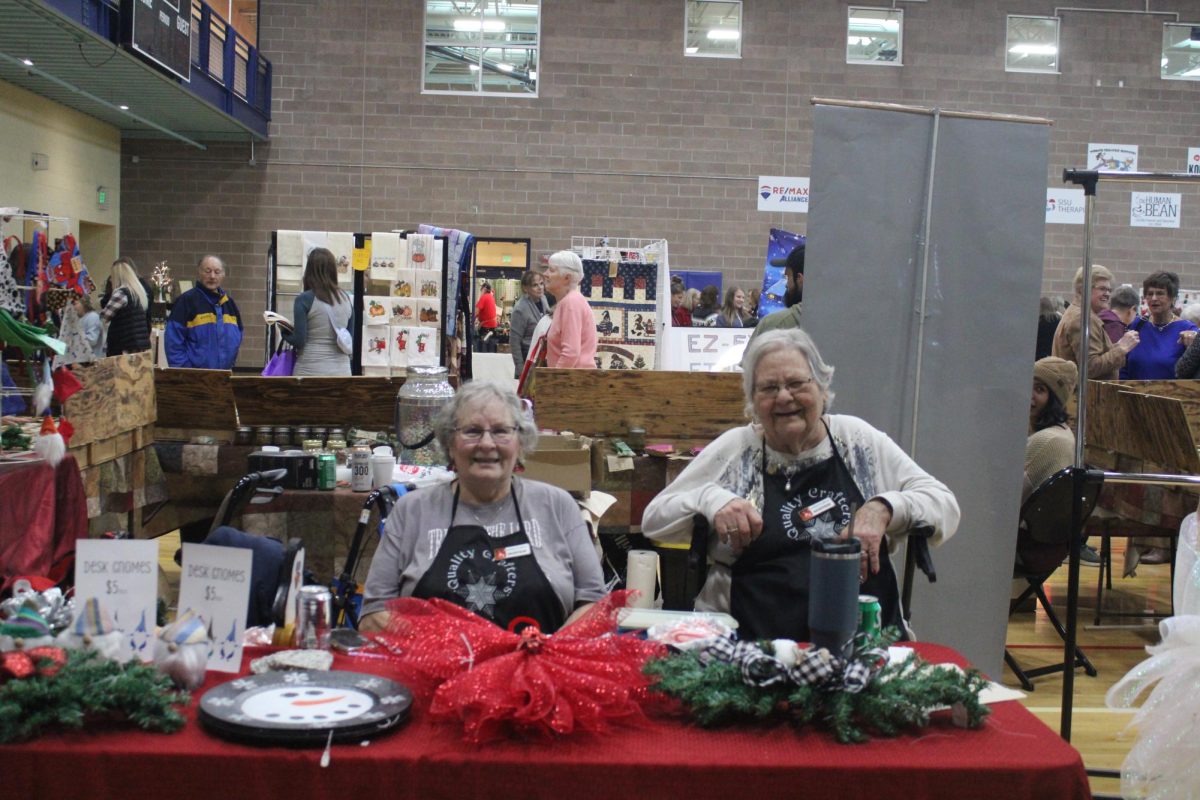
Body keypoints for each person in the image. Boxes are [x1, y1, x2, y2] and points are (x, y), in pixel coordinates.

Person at [641, 328, 960, 641]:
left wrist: (884, 508)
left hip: (867, 649)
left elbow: (944, 505)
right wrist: (710, 499)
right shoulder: (738, 450)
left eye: (796, 383)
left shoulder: (858, 442)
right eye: (768, 388)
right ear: (753, 401)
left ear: (823, 388)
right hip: (751, 653)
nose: (783, 396)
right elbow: (654, 521)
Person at [359, 381, 605, 634]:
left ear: (519, 443)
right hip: (438, 671)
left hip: (538, 669)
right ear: (450, 443)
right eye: (472, 431)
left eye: (501, 431)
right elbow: (372, 615)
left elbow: (595, 603)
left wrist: (548, 649)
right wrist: (434, 647)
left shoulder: (558, 506)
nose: (487, 443)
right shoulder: (411, 511)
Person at [1020, 357, 1098, 569]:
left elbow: (1008, 503)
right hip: (1050, 547)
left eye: (1040, 389)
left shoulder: (1045, 441)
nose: (1030, 394)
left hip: (1028, 548)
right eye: (1028, 384)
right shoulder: (1063, 434)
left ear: (1055, 399)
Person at [1052, 264, 1139, 381]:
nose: (1107, 294)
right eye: (1102, 288)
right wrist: (1121, 349)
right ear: (1082, 289)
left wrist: (1118, 346)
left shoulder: (1079, 313)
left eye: (1109, 290)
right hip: (1086, 397)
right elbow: (1090, 367)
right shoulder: (1082, 318)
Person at [281, 247, 353, 376]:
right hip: (342, 371)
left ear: (309, 270)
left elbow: (299, 340)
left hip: (310, 369)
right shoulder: (346, 298)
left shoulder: (303, 299)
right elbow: (350, 336)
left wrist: (284, 332)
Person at [165, 254, 243, 369]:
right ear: (199, 273)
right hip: (194, 378)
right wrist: (185, 371)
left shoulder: (229, 303)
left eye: (217, 272)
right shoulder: (186, 301)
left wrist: (230, 362)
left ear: (223, 275)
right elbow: (173, 342)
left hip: (223, 376)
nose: (212, 276)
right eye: (207, 271)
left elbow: (238, 335)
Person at [1122, 271, 1198, 380]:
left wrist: (1193, 342)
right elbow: (1123, 365)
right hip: (1134, 394)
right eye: (1149, 293)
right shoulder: (1137, 325)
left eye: (1160, 293)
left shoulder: (1188, 329)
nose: (1153, 298)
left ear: (1173, 298)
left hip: (1170, 394)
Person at [543, 250, 597, 369]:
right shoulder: (569, 301)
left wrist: (553, 381)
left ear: (567, 278)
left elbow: (571, 353)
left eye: (551, 270)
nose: (545, 274)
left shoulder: (571, 303)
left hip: (572, 383)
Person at [751, 241, 805, 341]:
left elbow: (750, 356)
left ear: (799, 278)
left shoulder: (772, 326)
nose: (786, 284)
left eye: (788, 277)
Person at [100, 258, 151, 356]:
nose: (110, 279)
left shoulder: (121, 293)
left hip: (124, 345)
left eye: (112, 276)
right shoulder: (138, 292)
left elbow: (105, 316)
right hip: (139, 345)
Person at [509, 270, 550, 378]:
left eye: (541, 283)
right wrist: (521, 370)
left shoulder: (543, 299)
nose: (540, 287)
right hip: (528, 361)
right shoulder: (520, 309)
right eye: (535, 285)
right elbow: (514, 342)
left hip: (543, 359)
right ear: (525, 288)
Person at [475, 281, 498, 353]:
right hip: (492, 327)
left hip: (486, 327)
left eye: (481, 289)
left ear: (484, 289)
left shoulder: (484, 297)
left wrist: (472, 320)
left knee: (483, 347)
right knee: (490, 347)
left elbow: (476, 312)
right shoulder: (491, 297)